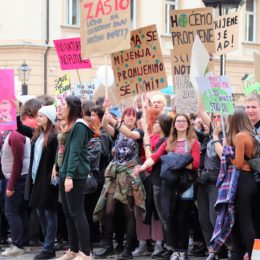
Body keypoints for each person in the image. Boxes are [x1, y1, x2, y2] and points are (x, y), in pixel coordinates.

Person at [134, 114, 200, 260]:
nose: (181, 123)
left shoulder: (193, 142)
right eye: (178, 121)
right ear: (174, 125)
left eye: (184, 121)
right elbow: (155, 157)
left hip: (186, 185)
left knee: (182, 217)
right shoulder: (169, 142)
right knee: (171, 217)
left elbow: (195, 164)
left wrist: (172, 160)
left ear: (188, 124)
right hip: (170, 184)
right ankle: (175, 249)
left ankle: (183, 251)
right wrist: (142, 167)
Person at [94, 106, 144, 260]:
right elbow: (104, 125)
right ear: (123, 117)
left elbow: (130, 134)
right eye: (127, 115)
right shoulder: (117, 132)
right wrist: (106, 113)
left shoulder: (139, 133)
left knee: (129, 212)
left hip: (129, 175)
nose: (130, 117)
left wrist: (115, 122)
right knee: (108, 211)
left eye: (133, 115)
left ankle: (128, 249)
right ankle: (109, 245)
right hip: (115, 174)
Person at [57, 96, 93, 260]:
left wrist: (69, 176)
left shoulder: (80, 125)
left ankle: (85, 252)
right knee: (68, 212)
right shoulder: (71, 125)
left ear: (71, 107)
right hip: (66, 173)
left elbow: (75, 152)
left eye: (63, 105)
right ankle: (73, 249)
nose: (61, 107)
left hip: (75, 175)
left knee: (77, 213)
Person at [24, 105, 58, 260]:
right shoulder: (38, 135)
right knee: (40, 213)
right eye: (37, 116)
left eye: (41, 116)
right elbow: (19, 127)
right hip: (36, 179)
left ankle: (48, 247)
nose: (37, 118)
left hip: (48, 180)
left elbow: (57, 159)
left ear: (49, 118)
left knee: (49, 214)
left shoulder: (53, 137)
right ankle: (48, 246)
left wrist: (55, 173)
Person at [226, 107, 257, 259]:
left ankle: (253, 256)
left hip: (243, 180)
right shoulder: (252, 134)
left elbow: (237, 163)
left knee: (245, 223)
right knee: (254, 223)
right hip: (252, 179)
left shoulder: (240, 136)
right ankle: (256, 255)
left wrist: (227, 151)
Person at [1, 130, 31, 257]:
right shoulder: (11, 135)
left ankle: (17, 245)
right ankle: (23, 243)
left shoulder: (14, 135)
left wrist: (11, 184)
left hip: (17, 180)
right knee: (20, 211)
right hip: (17, 179)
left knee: (11, 211)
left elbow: (17, 162)